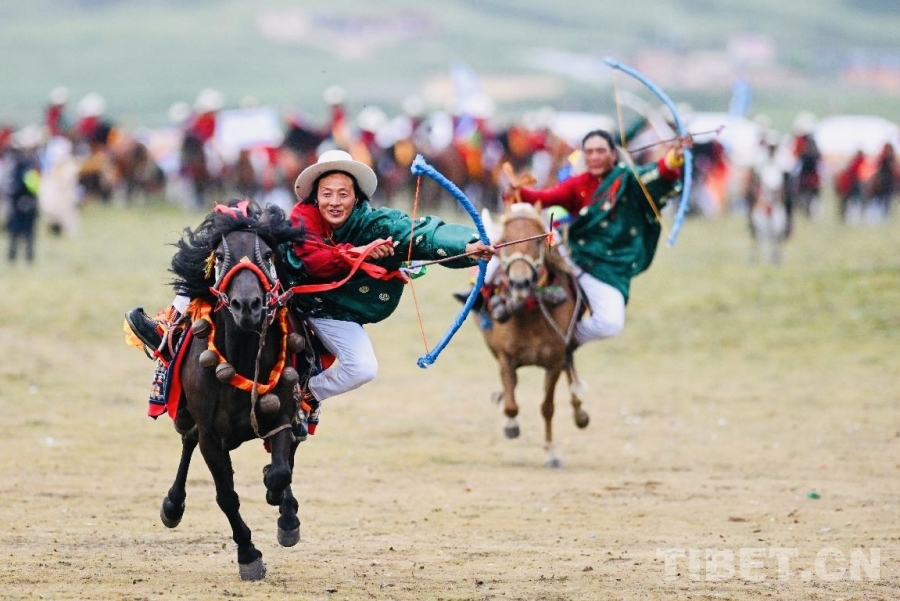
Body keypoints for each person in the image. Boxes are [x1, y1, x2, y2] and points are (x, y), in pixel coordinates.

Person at [126, 149, 494, 435]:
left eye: (343, 194)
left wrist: (469, 244)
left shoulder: (375, 223)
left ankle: (305, 395)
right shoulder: (301, 219)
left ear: (357, 197)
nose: (334, 201)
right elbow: (313, 259)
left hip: (333, 312)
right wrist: (358, 254)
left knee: (364, 368)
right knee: (221, 244)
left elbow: (422, 233)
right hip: (286, 300)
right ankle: (168, 326)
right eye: (327, 193)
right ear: (315, 196)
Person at [459, 128, 689, 354]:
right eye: (589, 152)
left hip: (609, 267)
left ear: (613, 154)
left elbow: (659, 172)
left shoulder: (628, 179)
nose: (595, 157)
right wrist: (516, 192)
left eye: (601, 151)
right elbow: (543, 197)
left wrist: (675, 156)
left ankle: (566, 340)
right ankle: (479, 294)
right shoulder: (578, 183)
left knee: (610, 324)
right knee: (514, 242)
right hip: (573, 251)